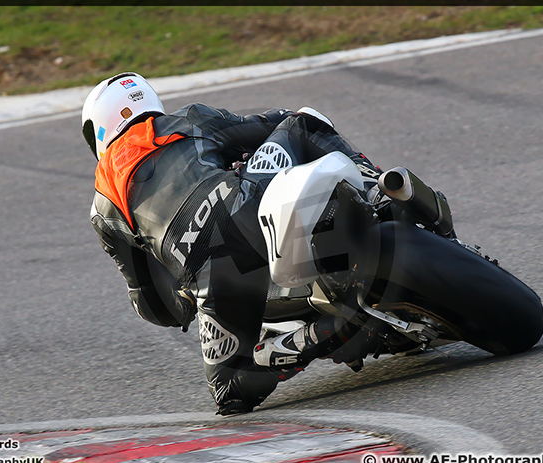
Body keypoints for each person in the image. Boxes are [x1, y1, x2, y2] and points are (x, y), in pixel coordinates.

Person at [82, 72, 388, 415]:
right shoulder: (189, 119)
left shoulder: (102, 207)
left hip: (215, 276)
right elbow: (276, 122)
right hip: (251, 213)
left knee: (230, 392)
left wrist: (186, 297)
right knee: (303, 124)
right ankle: (377, 190)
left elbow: (154, 304)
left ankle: (327, 331)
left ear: (99, 130)